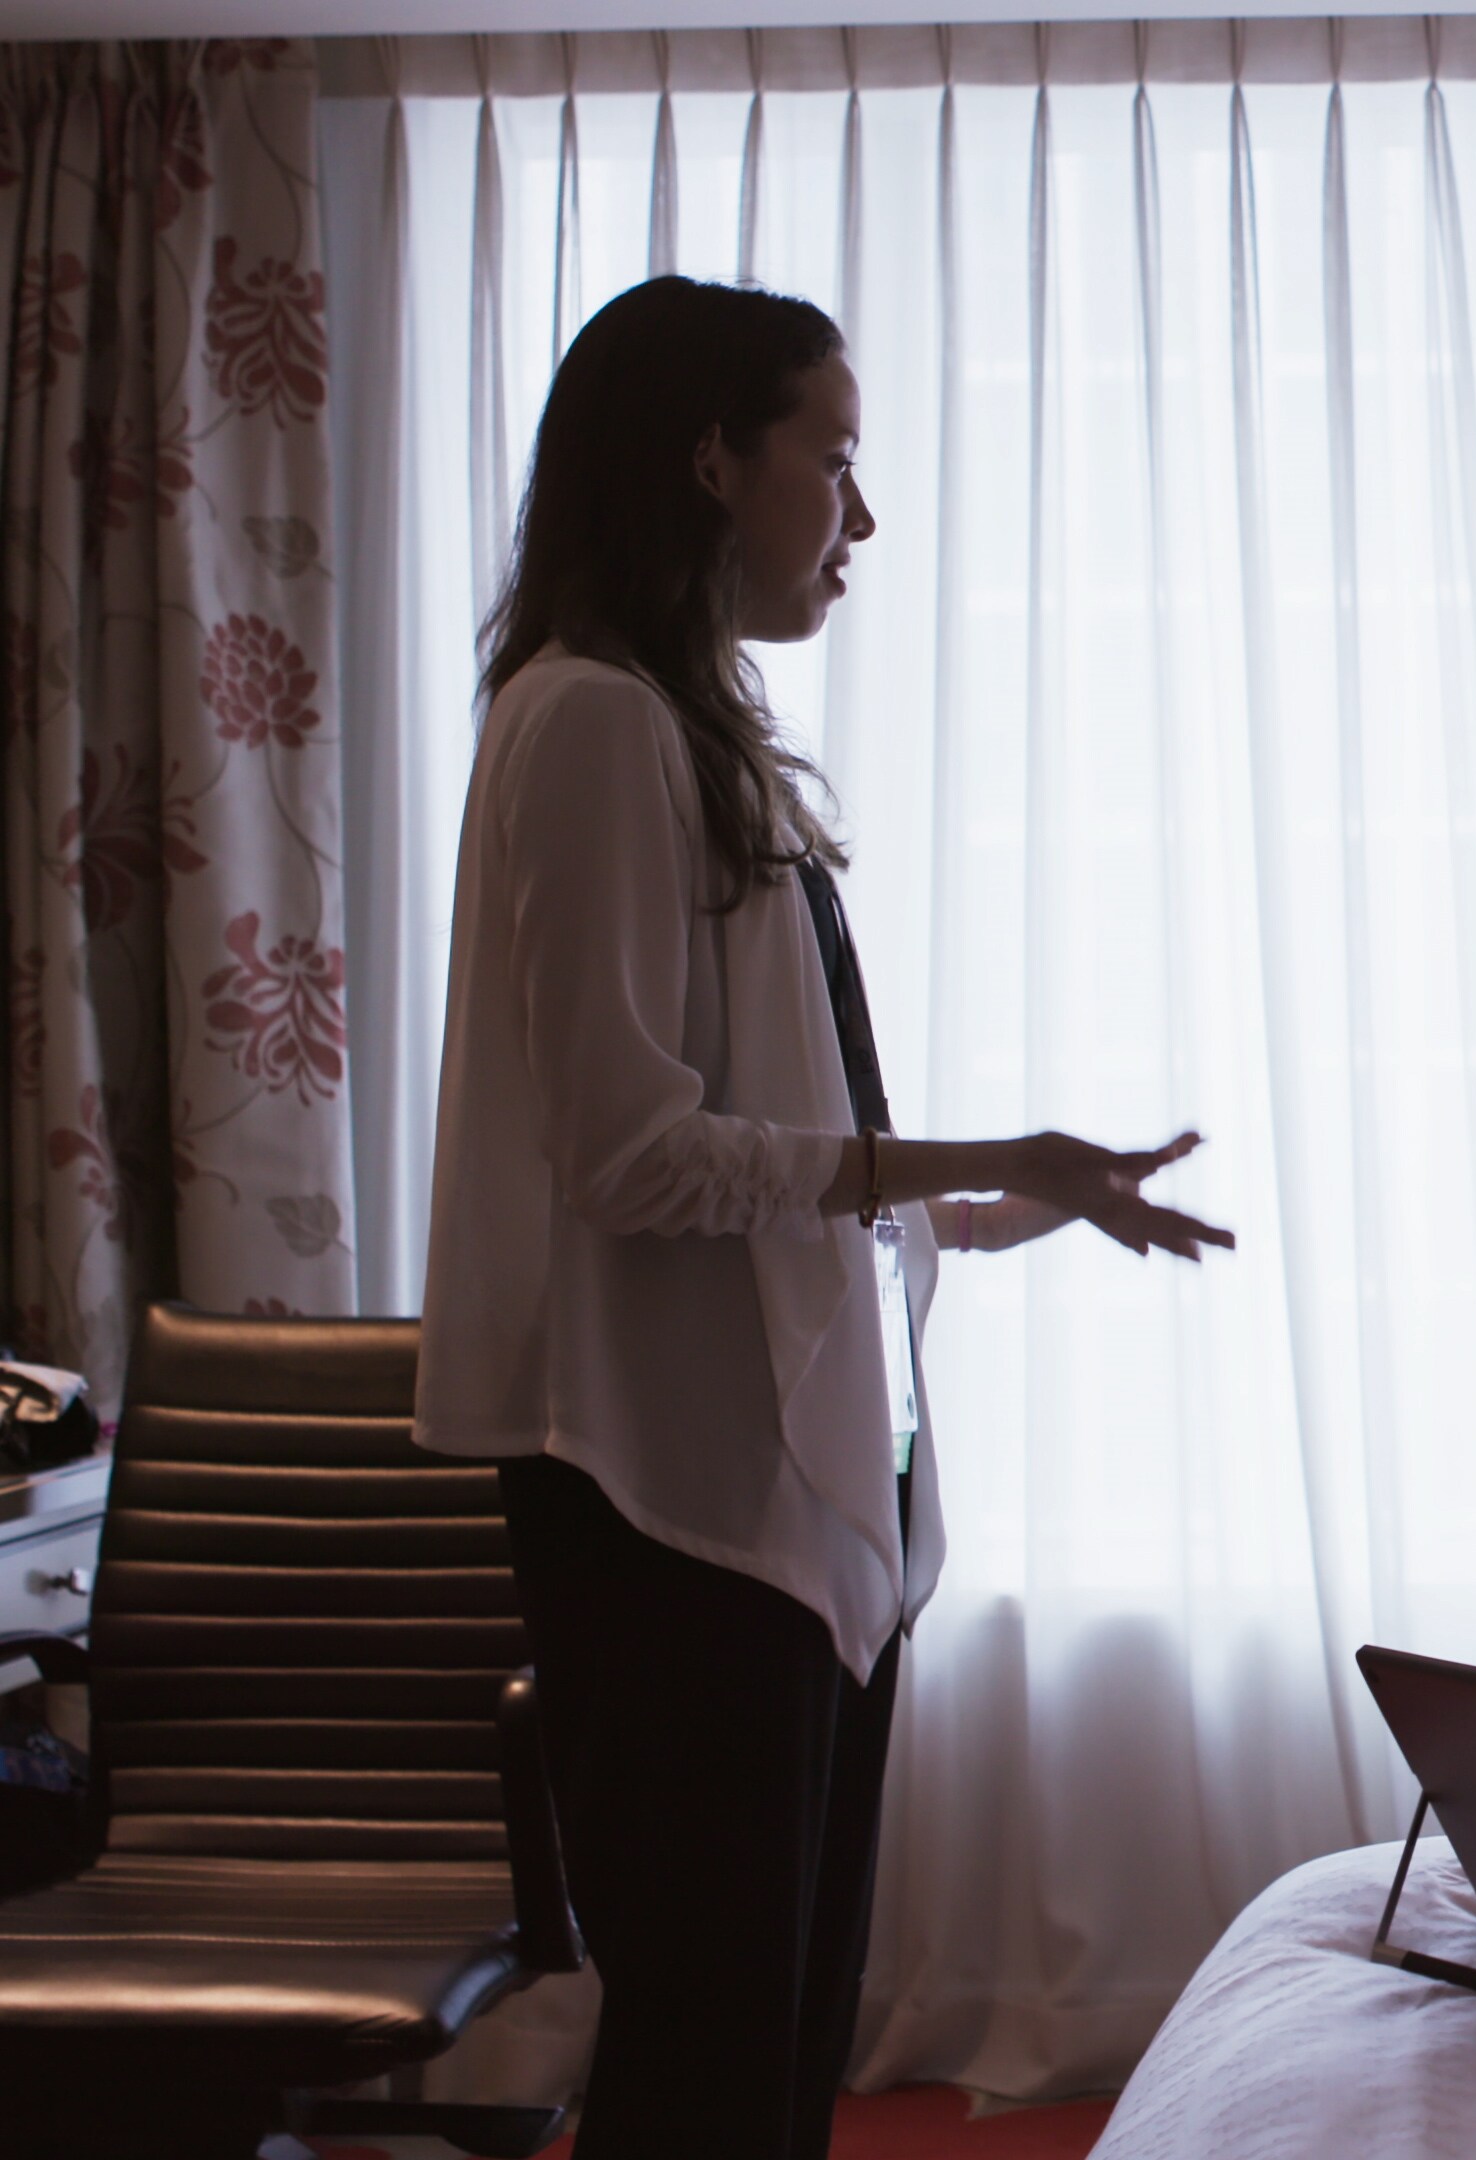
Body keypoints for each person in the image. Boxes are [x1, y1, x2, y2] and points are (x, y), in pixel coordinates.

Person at [414, 276, 1233, 2156]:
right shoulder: (593, 725)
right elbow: (632, 1156)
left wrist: (1020, 1193)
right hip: (665, 1511)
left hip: (767, 1509)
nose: (858, 520)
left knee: (770, 2060)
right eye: (834, 462)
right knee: (711, 2064)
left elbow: (788, 1162)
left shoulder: (688, 732)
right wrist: (961, 1159)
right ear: (712, 460)